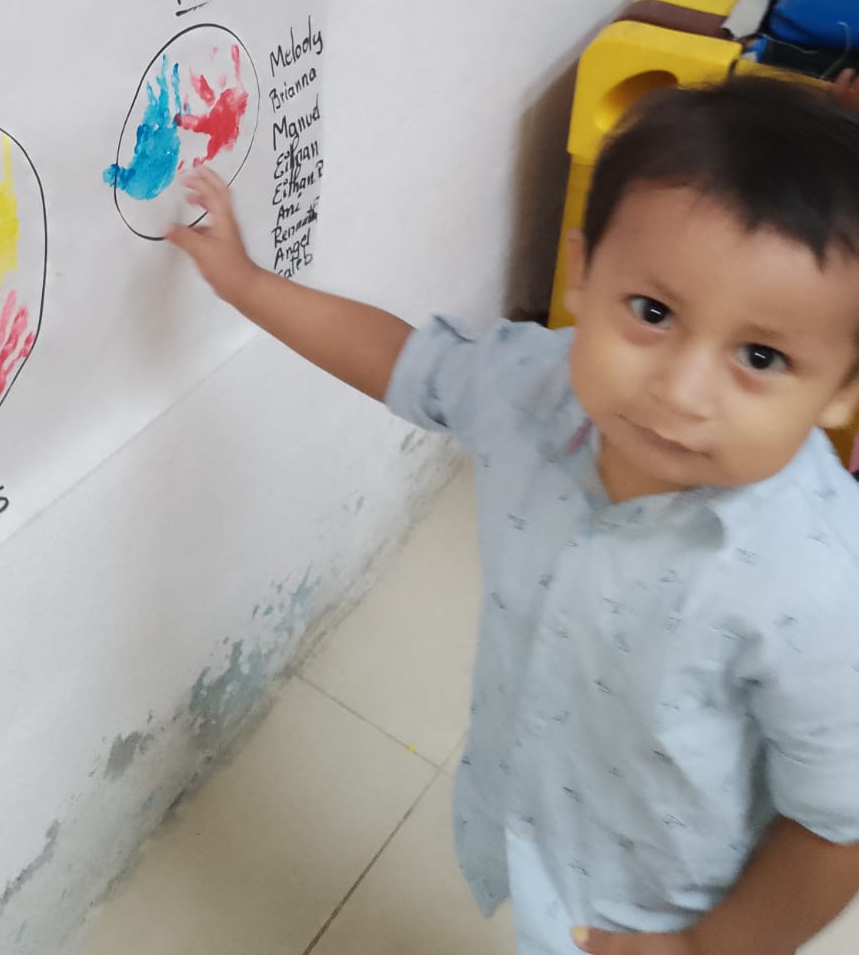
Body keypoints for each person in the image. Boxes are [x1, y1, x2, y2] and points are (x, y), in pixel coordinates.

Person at [168, 73, 859, 955]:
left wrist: (708, 949)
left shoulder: (823, 586)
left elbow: (836, 825)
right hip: (539, 821)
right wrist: (243, 283)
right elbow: (400, 358)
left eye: (760, 356)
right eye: (652, 312)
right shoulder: (532, 383)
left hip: (668, 911)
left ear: (843, 389)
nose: (681, 391)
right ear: (583, 274)